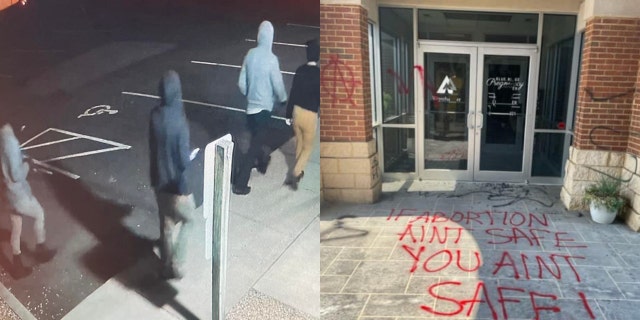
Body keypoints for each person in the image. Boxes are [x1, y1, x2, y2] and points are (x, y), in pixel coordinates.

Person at [149, 70, 195, 280]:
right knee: (190, 221)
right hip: (177, 186)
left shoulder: (155, 116)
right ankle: (178, 261)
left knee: (166, 225)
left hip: (159, 181)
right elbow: (184, 161)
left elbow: (153, 147)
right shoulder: (180, 122)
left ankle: (166, 265)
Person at [234, 20, 288, 195]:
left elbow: (241, 83)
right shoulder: (272, 60)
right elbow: (278, 84)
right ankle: (240, 183)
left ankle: (261, 160)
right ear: (271, 38)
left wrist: (250, 94)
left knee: (257, 139)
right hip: (264, 109)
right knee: (254, 146)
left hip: (251, 109)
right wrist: (282, 99)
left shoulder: (250, 54)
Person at [0, 123, 55, 278]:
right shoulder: (9, 140)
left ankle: (17, 266)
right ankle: (41, 250)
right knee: (39, 214)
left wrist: (22, 157)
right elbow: (16, 175)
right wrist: (27, 165)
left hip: (6, 194)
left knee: (16, 228)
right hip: (18, 194)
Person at [284, 38, 320, 190]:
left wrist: (288, 114)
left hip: (297, 111)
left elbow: (293, 92)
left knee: (299, 141)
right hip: (310, 114)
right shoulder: (318, 74)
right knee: (308, 147)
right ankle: (295, 173)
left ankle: (298, 172)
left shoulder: (300, 70)